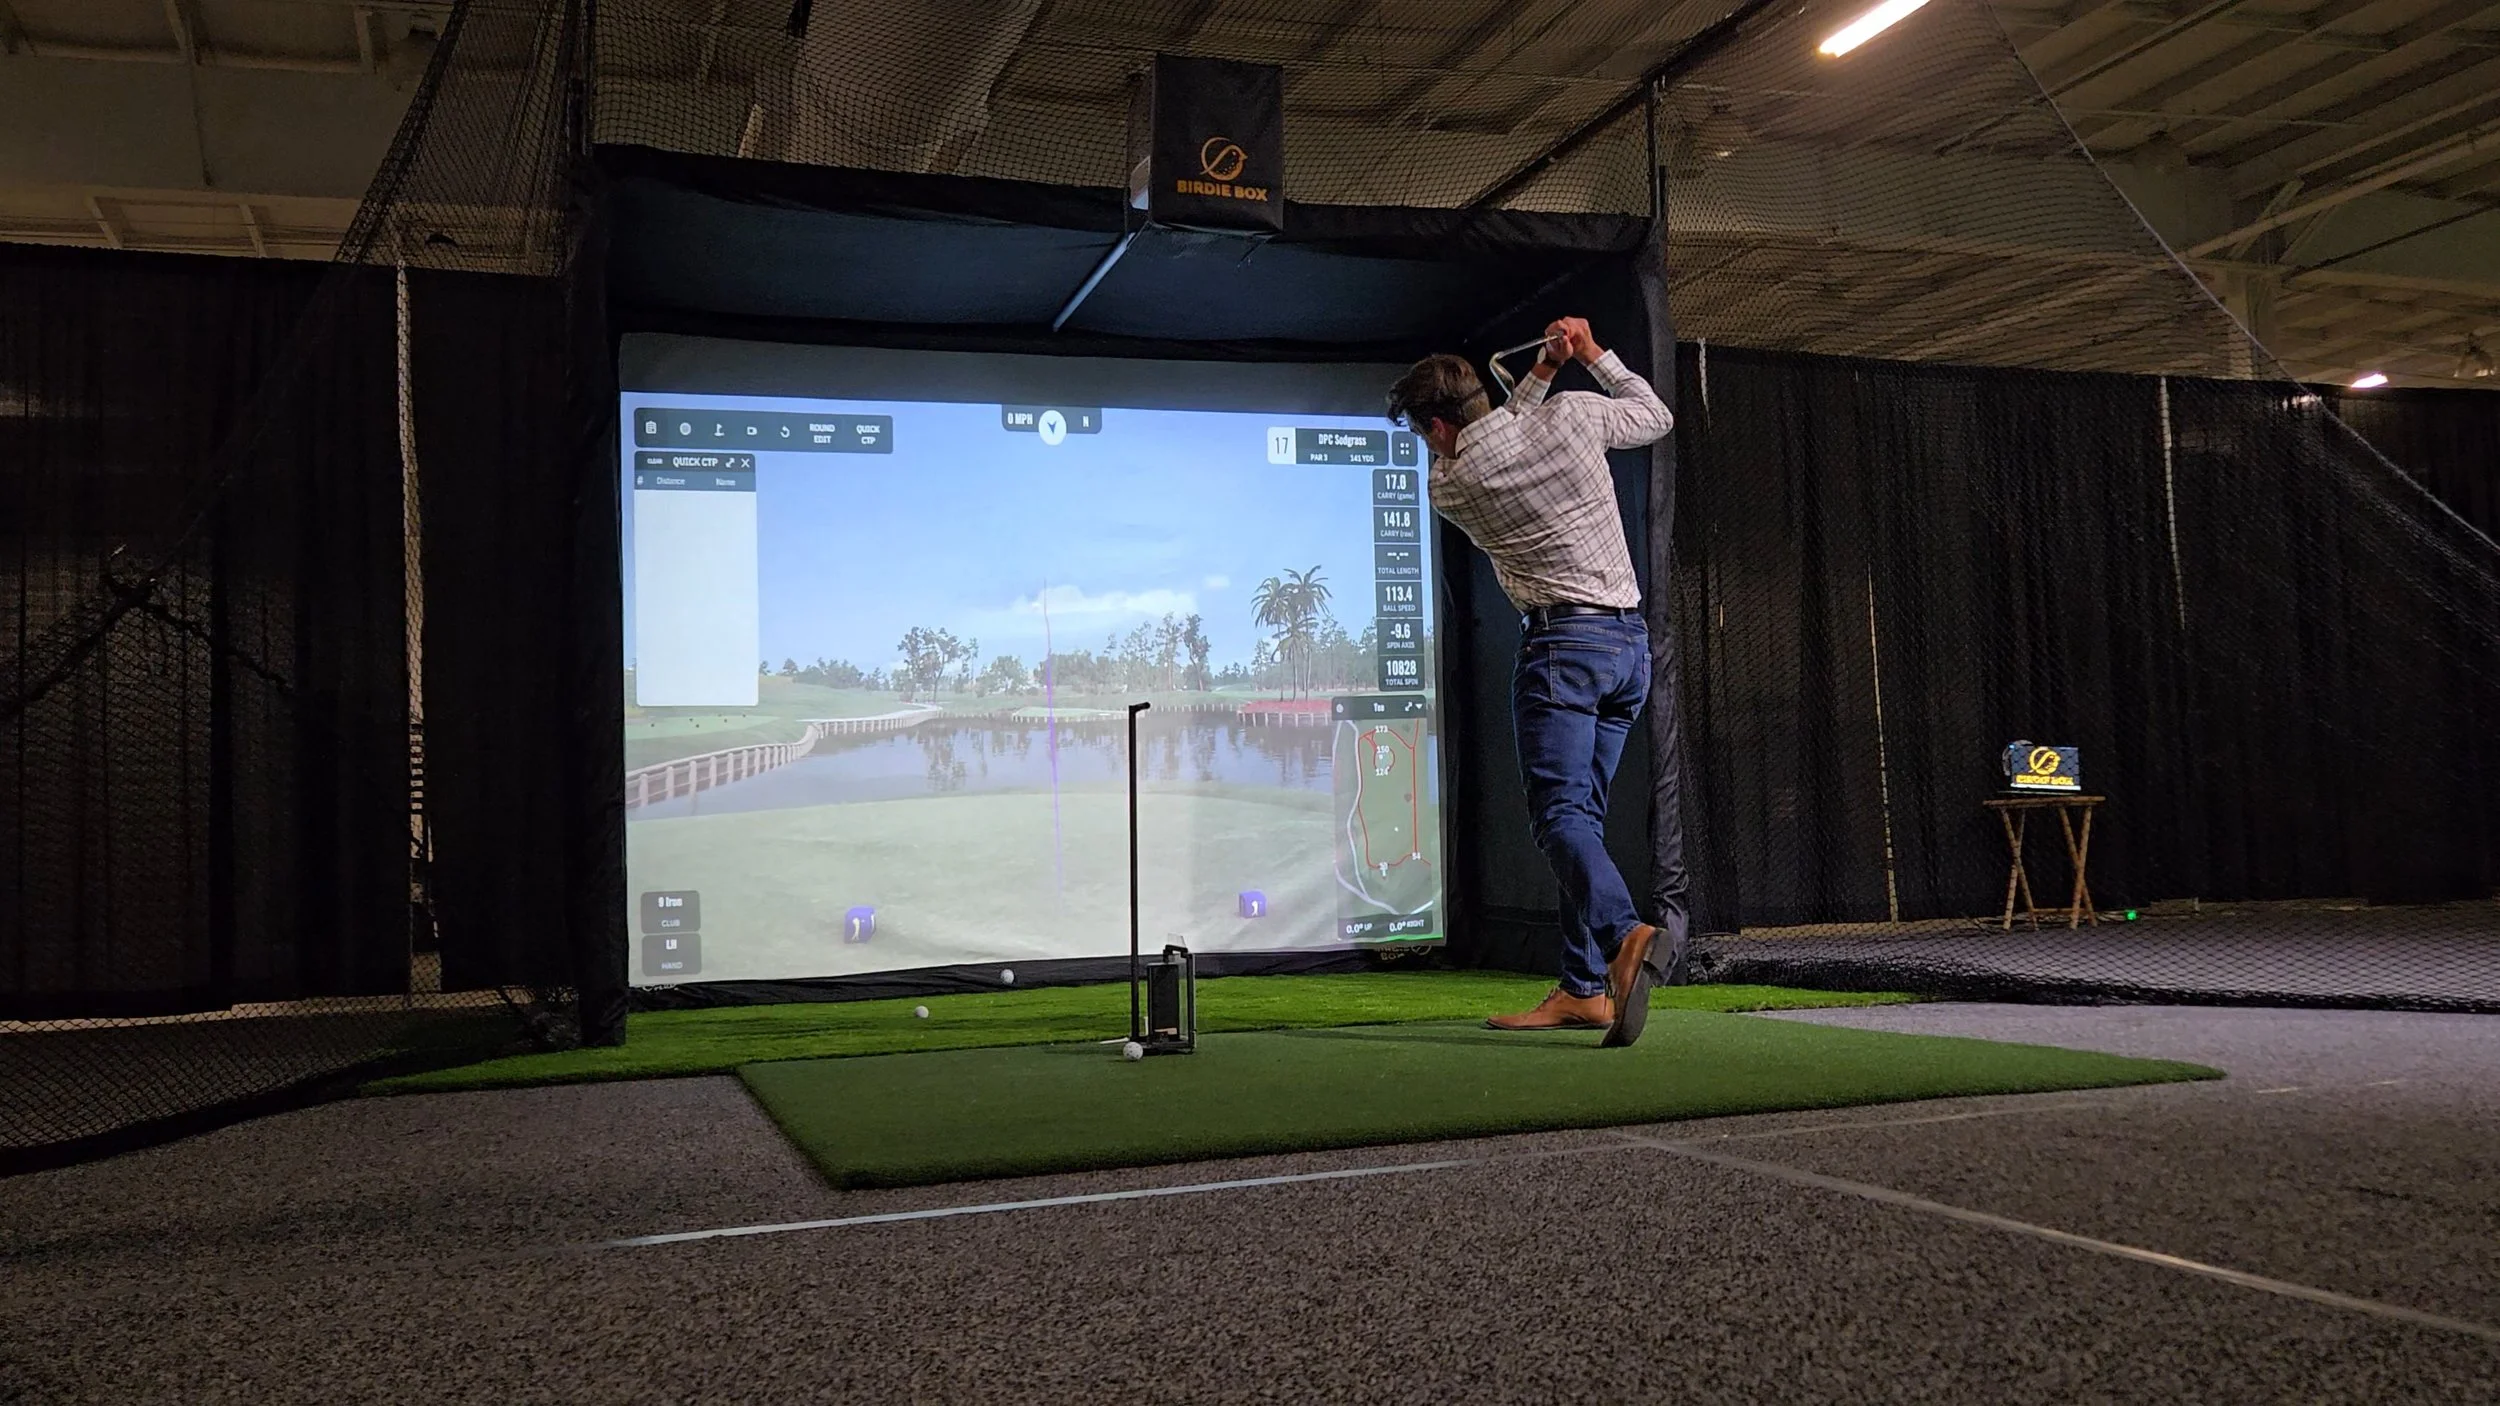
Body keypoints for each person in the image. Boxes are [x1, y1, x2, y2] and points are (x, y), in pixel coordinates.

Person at [1387, 317, 1674, 1047]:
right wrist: (1586, 356)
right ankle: (1583, 989)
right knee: (1583, 819)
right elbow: (1654, 416)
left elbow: (1499, 440)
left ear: (1437, 428)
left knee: (1559, 819)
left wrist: (1544, 372)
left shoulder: (1451, 485)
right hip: (1629, 648)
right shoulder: (1573, 416)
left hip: (1562, 652)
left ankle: (1625, 937)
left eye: (1423, 434)